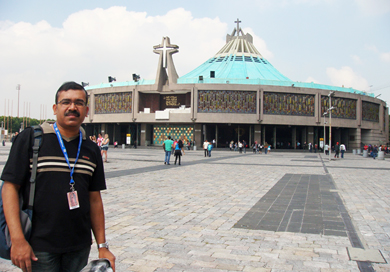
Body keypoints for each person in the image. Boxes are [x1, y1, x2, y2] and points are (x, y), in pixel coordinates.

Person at [1, 81, 115, 272]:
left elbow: (94, 199)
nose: (72, 107)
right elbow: (9, 188)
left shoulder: (91, 149)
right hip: (39, 246)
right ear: (55, 108)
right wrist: (18, 239)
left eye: (79, 103)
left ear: (86, 110)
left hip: (78, 247)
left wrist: (102, 246)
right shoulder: (31, 139)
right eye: (66, 102)